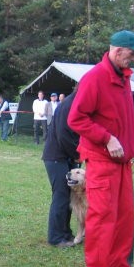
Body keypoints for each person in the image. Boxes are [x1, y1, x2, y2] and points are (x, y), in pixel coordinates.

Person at [67, 30, 134, 267]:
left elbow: (118, 116)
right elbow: (76, 118)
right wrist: (107, 138)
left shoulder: (123, 78)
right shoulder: (95, 78)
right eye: (131, 53)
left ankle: (119, 266)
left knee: (124, 214)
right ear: (117, 50)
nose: (133, 58)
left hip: (122, 161)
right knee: (102, 214)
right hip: (102, 160)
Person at [42, 90, 80, 248]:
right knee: (61, 196)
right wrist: (77, 154)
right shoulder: (68, 105)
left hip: (65, 157)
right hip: (56, 157)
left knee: (68, 195)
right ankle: (56, 237)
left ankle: (65, 233)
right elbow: (63, 134)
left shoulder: (73, 104)